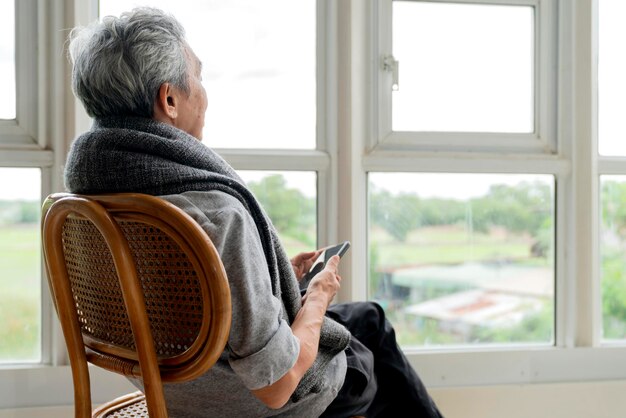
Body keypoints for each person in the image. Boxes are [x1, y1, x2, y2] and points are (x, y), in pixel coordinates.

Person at [65, 7, 445, 418]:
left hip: (173, 389)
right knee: (366, 361)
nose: (204, 92)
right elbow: (276, 384)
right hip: (242, 400)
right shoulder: (214, 214)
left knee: (368, 318)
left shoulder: (94, 199)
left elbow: (184, 302)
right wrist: (317, 295)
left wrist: (274, 277)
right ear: (170, 99)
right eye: (198, 77)